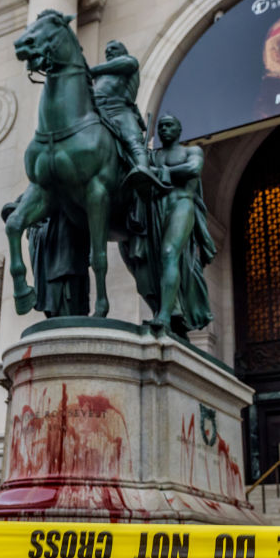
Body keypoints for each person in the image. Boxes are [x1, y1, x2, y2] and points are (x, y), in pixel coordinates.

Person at [143, 113, 217, 336]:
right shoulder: (153, 156)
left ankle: (164, 315)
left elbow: (192, 169)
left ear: (178, 130)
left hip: (181, 205)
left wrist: (158, 172)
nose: (164, 130)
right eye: (161, 127)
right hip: (157, 209)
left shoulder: (191, 151)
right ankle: (172, 310)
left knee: (169, 253)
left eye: (169, 126)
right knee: (154, 261)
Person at [90, 40, 150, 170]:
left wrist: (89, 70)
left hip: (120, 111)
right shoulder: (101, 75)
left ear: (123, 51)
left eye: (113, 48)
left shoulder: (129, 61)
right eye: (106, 50)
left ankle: (144, 171)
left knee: (133, 142)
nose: (109, 51)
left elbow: (127, 63)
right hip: (99, 112)